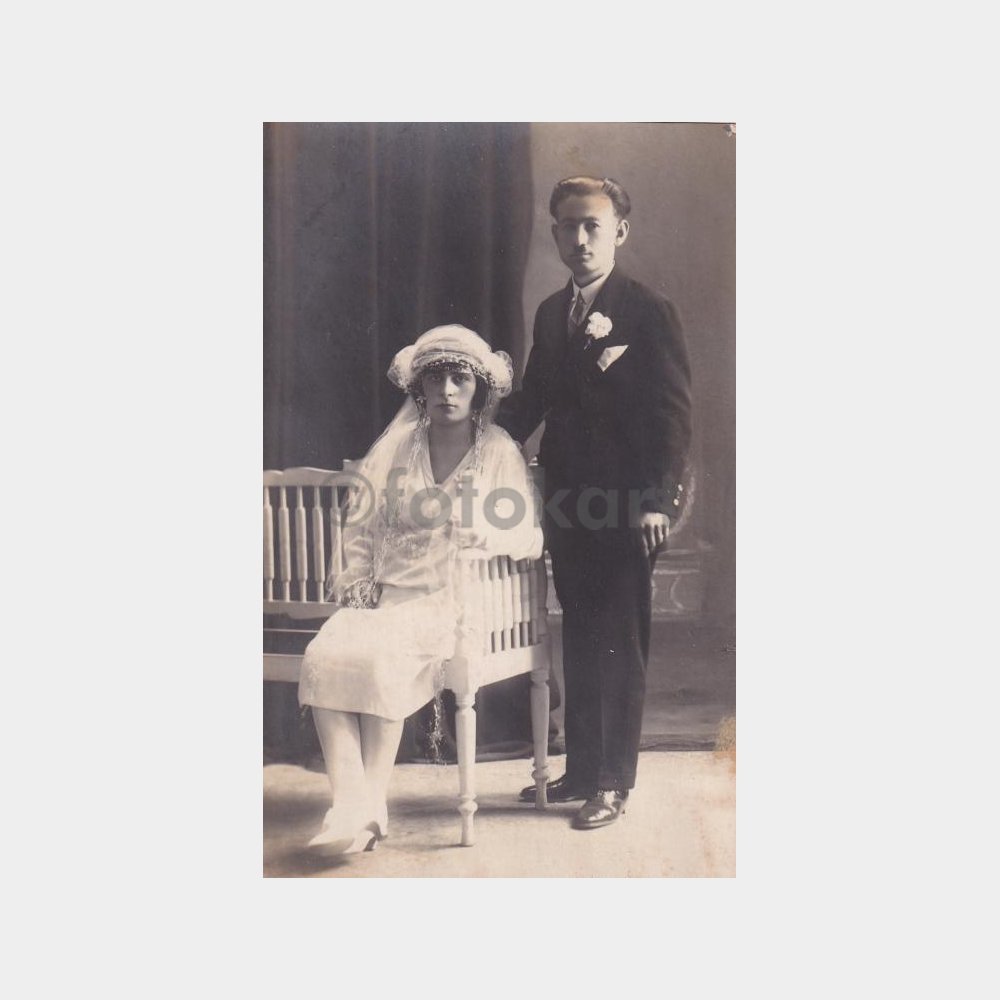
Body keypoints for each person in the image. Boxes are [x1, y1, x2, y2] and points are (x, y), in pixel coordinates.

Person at [298, 325, 543, 854]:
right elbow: (361, 527)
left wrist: (488, 531)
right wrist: (358, 581)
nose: (447, 391)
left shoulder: (497, 451)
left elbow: (529, 536)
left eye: (459, 379)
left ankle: (364, 808)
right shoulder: (398, 448)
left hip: (452, 601)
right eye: (436, 380)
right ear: (420, 388)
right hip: (389, 595)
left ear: (478, 387)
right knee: (323, 655)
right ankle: (356, 806)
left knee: (380, 659)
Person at [496, 176, 692, 830]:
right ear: (554, 232)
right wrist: (476, 432)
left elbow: (672, 418)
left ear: (619, 233)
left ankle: (612, 782)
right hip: (568, 504)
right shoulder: (553, 312)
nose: (580, 239)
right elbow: (534, 398)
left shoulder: (648, 310)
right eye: (568, 226)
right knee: (579, 633)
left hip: (629, 507)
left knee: (618, 641)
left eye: (593, 227)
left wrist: (659, 501)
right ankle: (581, 769)